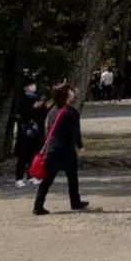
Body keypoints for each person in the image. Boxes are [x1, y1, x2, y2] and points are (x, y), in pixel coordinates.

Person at [32, 83, 89, 215]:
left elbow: (48, 130)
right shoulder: (72, 112)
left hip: (52, 150)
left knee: (47, 180)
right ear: (66, 95)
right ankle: (75, 202)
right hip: (66, 150)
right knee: (72, 177)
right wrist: (80, 146)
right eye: (70, 90)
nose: (72, 92)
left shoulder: (53, 111)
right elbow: (75, 133)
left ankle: (38, 205)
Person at [12, 78, 45, 187]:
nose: (33, 87)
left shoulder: (36, 99)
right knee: (23, 156)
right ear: (25, 88)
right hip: (25, 131)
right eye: (31, 85)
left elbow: (41, 114)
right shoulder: (23, 100)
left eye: (34, 85)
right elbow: (22, 115)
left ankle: (31, 176)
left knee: (33, 154)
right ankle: (19, 178)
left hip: (36, 131)